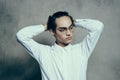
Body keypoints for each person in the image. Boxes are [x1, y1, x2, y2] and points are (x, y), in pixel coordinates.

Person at [16, 11, 104, 80]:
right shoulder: (43, 52)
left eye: (71, 28)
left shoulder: (82, 50)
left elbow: (98, 26)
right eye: (62, 29)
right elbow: (21, 36)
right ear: (52, 31)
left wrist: (74, 22)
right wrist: (47, 26)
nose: (69, 33)